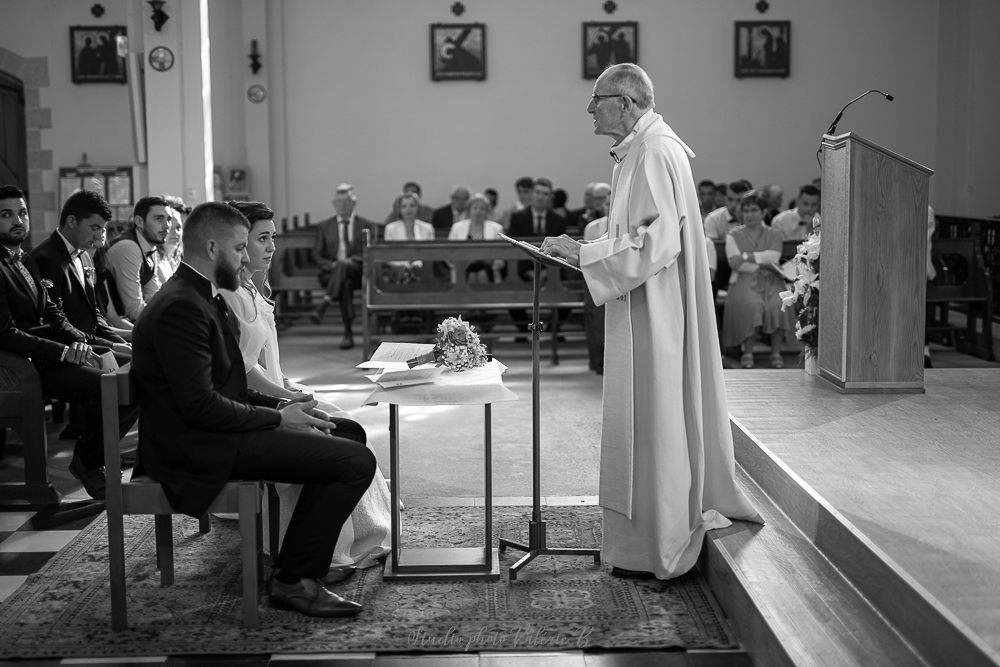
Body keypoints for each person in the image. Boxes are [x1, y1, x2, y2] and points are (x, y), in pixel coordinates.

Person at [540, 63, 760, 580]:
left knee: (653, 422)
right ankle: (639, 544)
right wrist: (586, 250)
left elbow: (656, 242)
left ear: (629, 103)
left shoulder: (655, 150)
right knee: (644, 422)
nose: (590, 109)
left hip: (655, 311)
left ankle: (657, 545)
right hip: (643, 304)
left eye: (598, 99)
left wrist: (586, 252)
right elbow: (637, 229)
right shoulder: (639, 149)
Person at [131, 201, 376, 618]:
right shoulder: (181, 307)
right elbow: (200, 407)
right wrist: (281, 418)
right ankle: (293, 579)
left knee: (345, 431)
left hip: (218, 432)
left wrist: (287, 404)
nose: (247, 257)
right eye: (241, 248)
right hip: (198, 447)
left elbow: (228, 384)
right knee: (355, 462)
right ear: (212, 248)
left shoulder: (199, 296)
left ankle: (295, 563)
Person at [221, 200, 391, 571]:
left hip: (274, 388)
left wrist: (287, 389)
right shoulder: (230, 294)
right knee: (335, 432)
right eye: (262, 239)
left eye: (273, 238)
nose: (272, 248)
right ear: (236, 242)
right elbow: (243, 370)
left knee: (346, 422)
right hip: (258, 401)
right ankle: (314, 552)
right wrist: (286, 396)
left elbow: (266, 360)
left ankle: (336, 531)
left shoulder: (251, 285)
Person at [0, 185, 139, 500]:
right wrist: (64, 350)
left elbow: (53, 313)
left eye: (21, 212)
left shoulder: (23, 258)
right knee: (108, 386)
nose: (17, 220)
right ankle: (88, 462)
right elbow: (6, 333)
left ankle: (91, 459)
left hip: (50, 354)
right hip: (26, 364)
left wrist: (81, 344)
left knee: (136, 383)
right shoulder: (22, 261)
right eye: (6, 214)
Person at [29, 189, 131, 363]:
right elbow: (56, 321)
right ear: (72, 221)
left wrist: (119, 342)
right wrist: (110, 346)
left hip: (92, 343)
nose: (100, 236)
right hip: (69, 351)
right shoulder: (46, 258)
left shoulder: (84, 256)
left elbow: (94, 316)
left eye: (103, 228)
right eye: (95, 228)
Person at [722, 190, 795, 368]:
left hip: (772, 280)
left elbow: (774, 257)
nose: (749, 215)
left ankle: (776, 353)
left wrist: (746, 256)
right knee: (754, 305)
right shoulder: (733, 235)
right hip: (744, 280)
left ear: (763, 212)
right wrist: (761, 262)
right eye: (746, 211)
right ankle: (748, 352)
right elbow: (735, 263)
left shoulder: (774, 234)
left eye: (754, 210)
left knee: (779, 305)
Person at [310, 184, 373, 349]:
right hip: (330, 274)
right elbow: (316, 255)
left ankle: (325, 303)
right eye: (339, 202)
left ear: (354, 203)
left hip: (357, 271)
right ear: (334, 204)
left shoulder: (366, 225)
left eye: (346, 202)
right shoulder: (324, 226)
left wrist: (347, 262)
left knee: (345, 267)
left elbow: (369, 253)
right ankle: (347, 332)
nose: (343, 205)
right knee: (344, 284)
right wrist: (334, 265)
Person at [103, 195, 171, 322]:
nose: (166, 226)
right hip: (114, 327)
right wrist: (172, 320)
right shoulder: (128, 247)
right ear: (139, 222)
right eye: (158, 219)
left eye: (168, 220)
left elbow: (153, 296)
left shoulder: (150, 246)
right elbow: (134, 310)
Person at [448, 192, 506, 283]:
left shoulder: (496, 228)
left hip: (489, 266)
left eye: (482, 208)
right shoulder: (457, 227)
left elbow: (502, 253)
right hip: (464, 266)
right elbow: (449, 252)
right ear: (469, 210)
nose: (478, 211)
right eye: (475, 208)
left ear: (487, 211)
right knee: (471, 275)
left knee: (482, 274)